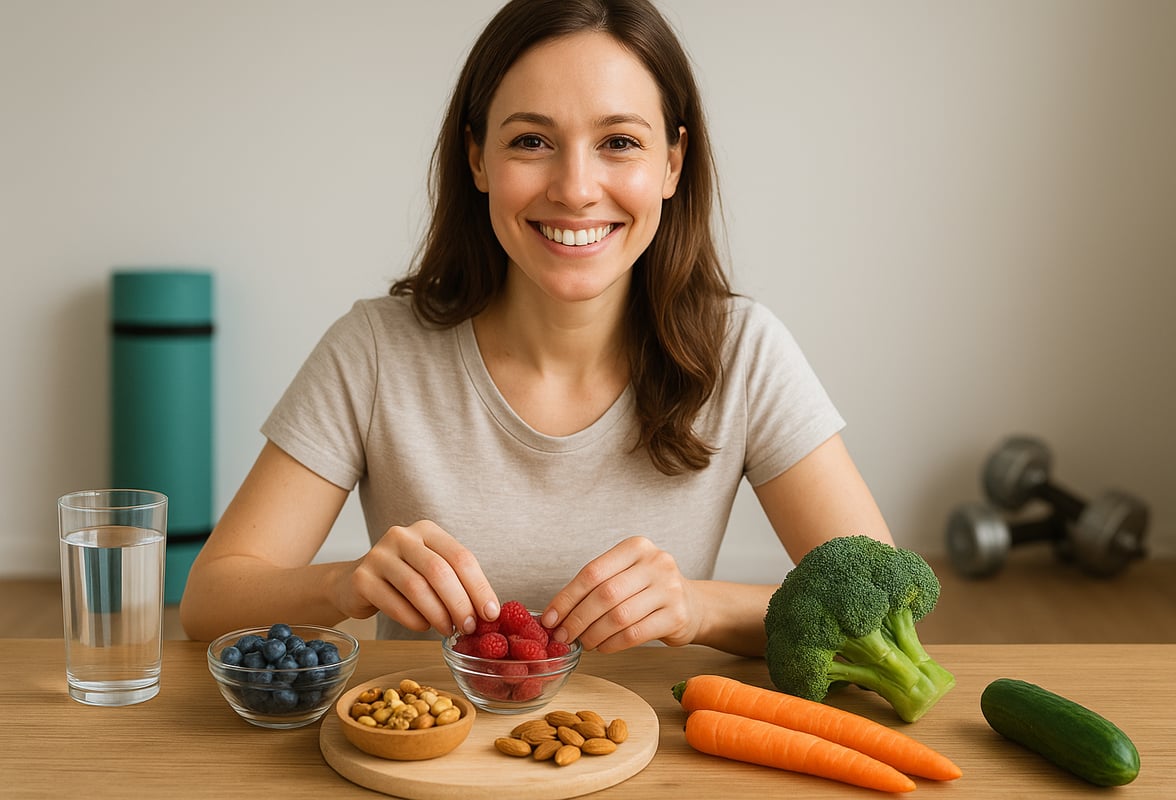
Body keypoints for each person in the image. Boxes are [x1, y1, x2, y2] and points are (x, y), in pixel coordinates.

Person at [179, 0, 892, 657]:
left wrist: (699, 609)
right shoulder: (372, 351)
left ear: (672, 163)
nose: (576, 188)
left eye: (618, 141)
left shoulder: (745, 352)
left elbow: (888, 610)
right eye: (530, 141)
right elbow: (209, 602)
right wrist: (343, 587)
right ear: (477, 158)